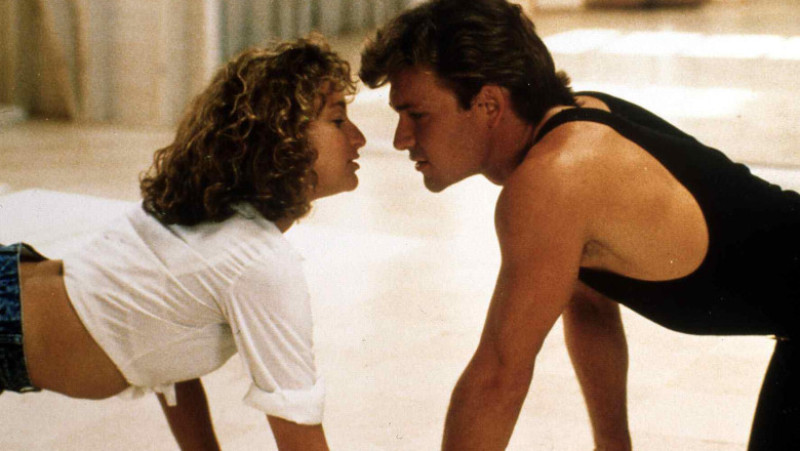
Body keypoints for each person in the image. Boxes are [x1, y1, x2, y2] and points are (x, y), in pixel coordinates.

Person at [359, 0, 800, 449]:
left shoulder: (554, 177)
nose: (400, 139)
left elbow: (498, 377)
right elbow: (590, 306)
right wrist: (613, 444)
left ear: (488, 104)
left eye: (417, 115)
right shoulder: (572, 127)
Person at [1, 36, 365, 450]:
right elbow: (299, 434)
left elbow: (167, 355)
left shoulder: (203, 208)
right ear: (280, 138)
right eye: (338, 121)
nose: (358, 138)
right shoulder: (259, 261)